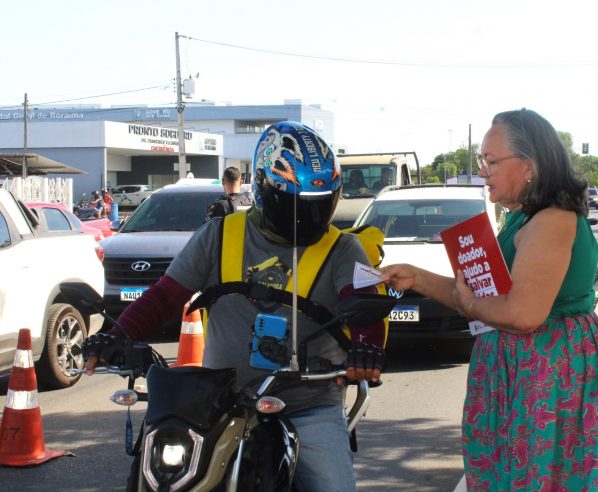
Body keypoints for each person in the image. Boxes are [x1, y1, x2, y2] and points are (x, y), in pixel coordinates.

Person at [82, 121, 388, 492]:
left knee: (334, 486)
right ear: (263, 189)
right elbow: (164, 296)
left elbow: (365, 303)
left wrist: (366, 346)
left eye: (320, 206)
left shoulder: (344, 248)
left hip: (307, 405)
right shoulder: (218, 234)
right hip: (215, 404)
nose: (310, 219)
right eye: (297, 205)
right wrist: (115, 336)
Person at [382, 109, 598, 490]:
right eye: (482, 161)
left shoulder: (552, 221)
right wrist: (418, 279)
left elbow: (522, 314)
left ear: (530, 166)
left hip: (548, 372)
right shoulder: (524, 218)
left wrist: (472, 304)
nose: (483, 172)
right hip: (524, 369)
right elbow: (483, 300)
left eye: (491, 161)